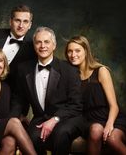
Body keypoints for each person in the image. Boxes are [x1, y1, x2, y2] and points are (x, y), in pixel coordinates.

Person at [10, 27, 85, 155]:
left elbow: (75, 105)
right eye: (38, 42)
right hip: (40, 118)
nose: (42, 46)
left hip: (68, 117)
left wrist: (55, 119)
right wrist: (13, 119)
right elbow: (19, 99)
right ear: (34, 46)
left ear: (54, 45)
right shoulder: (24, 69)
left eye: (46, 42)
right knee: (32, 137)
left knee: (60, 133)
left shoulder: (69, 70)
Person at [65, 35, 126, 155]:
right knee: (96, 129)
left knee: (111, 138)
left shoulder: (101, 71)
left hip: (112, 117)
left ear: (86, 51)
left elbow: (114, 106)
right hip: (88, 121)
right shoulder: (70, 76)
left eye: (77, 50)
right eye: (70, 51)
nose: (73, 54)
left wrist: (109, 124)